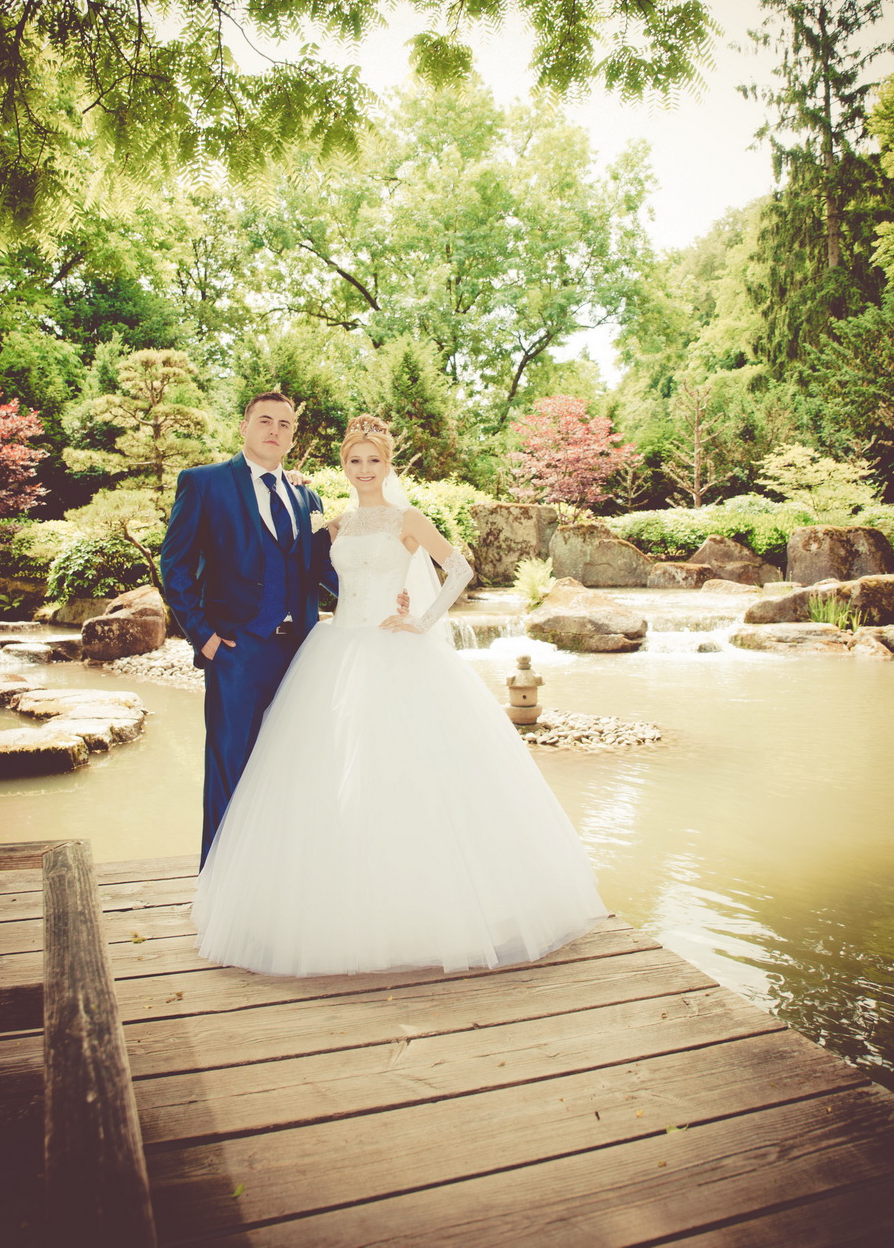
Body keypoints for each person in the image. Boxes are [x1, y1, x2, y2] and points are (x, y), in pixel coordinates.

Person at [192, 414, 608, 976]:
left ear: (388, 466)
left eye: (374, 461)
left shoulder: (408, 518)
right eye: (354, 461)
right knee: (325, 774)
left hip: (397, 649)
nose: (364, 470)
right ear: (344, 466)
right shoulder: (333, 526)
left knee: (411, 769)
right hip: (337, 652)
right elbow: (301, 577)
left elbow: (459, 568)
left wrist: (424, 618)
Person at [160, 391, 339, 865]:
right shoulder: (204, 484)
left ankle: (276, 879)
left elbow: (321, 568)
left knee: (291, 766)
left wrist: (377, 600)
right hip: (236, 651)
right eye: (265, 420)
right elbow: (174, 567)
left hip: (301, 654)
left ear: (292, 436)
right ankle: (218, 886)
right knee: (229, 767)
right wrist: (205, 637)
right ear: (244, 427)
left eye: (284, 424)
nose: (274, 430)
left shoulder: (306, 494)